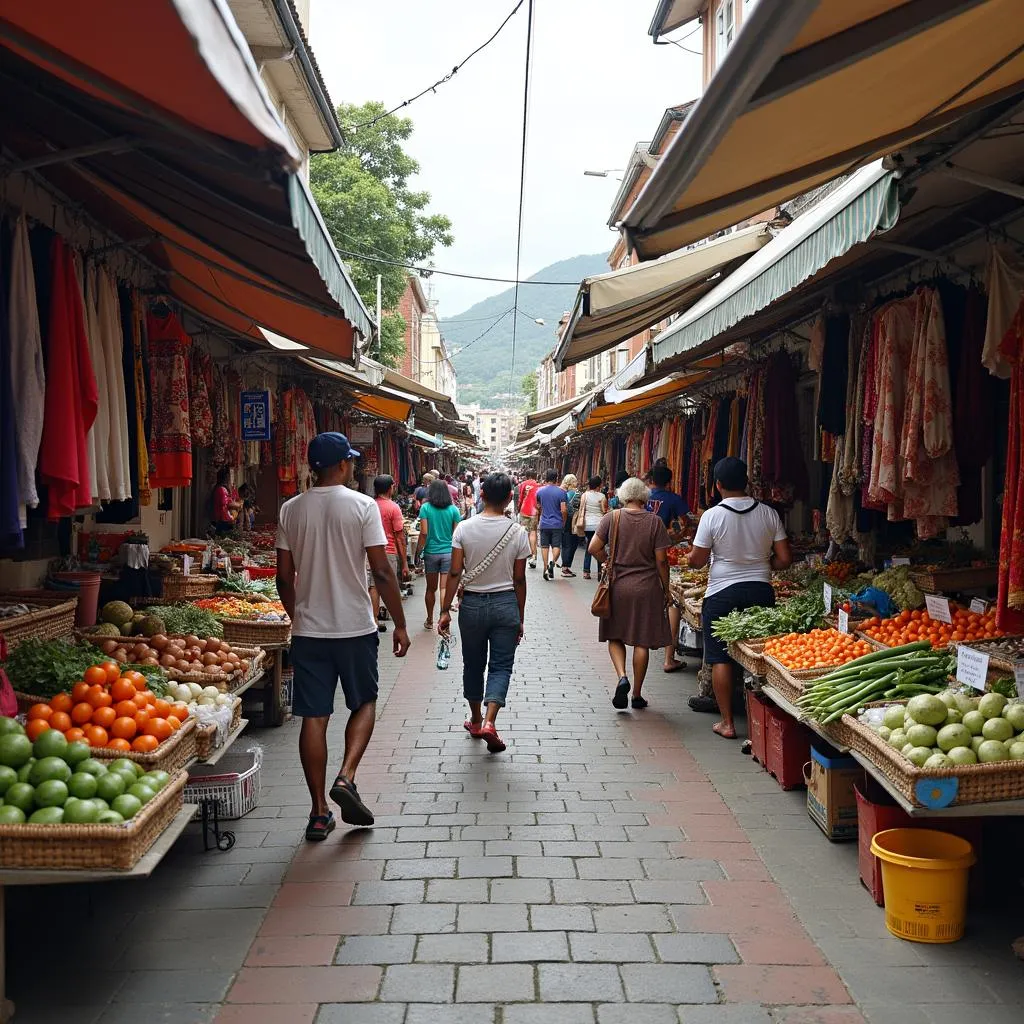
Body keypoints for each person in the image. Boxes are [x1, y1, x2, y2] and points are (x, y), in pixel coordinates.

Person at [276, 432, 410, 840]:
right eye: (349, 461)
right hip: (354, 627)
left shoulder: (290, 510)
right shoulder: (363, 506)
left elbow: (284, 577)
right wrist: (400, 623)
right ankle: (347, 777)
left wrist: (298, 614)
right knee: (364, 702)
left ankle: (318, 812)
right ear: (340, 465)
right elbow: (382, 571)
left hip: (309, 632)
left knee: (313, 717)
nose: (352, 466)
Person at [687, 456, 792, 739]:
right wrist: (762, 564)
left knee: (721, 656)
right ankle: (764, 721)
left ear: (718, 484)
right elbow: (784, 558)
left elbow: (696, 561)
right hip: (760, 589)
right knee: (760, 653)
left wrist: (691, 557)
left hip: (721, 592)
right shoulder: (769, 513)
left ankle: (728, 723)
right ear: (747, 481)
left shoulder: (712, 516)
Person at [439, 472, 529, 754]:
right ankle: (490, 721)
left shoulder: (464, 529)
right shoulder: (518, 532)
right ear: (510, 498)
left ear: (481, 495)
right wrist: (520, 615)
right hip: (505, 605)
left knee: (473, 664)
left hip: (472, 606)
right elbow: (519, 580)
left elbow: (455, 572)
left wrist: (444, 610)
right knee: (501, 666)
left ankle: (476, 719)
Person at [588, 477, 673, 711]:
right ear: (644, 497)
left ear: (623, 496)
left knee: (615, 635)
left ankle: (622, 676)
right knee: (641, 640)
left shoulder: (611, 518)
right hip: (647, 589)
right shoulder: (655, 522)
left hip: (618, 586)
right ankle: (636, 694)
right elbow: (662, 561)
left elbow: (593, 547)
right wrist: (667, 590)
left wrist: (606, 562)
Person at [647, 465, 691, 674]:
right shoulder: (673, 498)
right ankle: (668, 658)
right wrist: (678, 537)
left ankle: (644, 640)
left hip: (640, 557)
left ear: (651, 480)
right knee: (671, 603)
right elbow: (687, 523)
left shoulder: (642, 496)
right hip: (663, 552)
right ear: (669, 481)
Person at [416, 479, 463, 630]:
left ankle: (429, 620)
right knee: (444, 588)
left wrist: (418, 550)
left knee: (431, 589)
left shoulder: (425, 508)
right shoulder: (454, 510)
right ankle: (444, 619)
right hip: (448, 553)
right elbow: (456, 536)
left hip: (430, 553)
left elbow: (423, 532)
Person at [372, 475, 409, 631]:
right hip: (388, 551)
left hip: (370, 551)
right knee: (389, 586)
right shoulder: (393, 507)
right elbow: (399, 537)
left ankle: (374, 619)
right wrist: (405, 563)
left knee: (373, 587)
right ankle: (397, 622)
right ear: (390, 488)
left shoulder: (369, 505)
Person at [535, 469, 567, 581]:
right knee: (556, 546)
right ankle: (552, 562)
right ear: (556, 478)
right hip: (557, 523)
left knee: (544, 547)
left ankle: (545, 568)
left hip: (544, 523)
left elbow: (538, 507)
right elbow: (563, 510)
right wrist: (563, 521)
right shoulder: (562, 492)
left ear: (546, 477)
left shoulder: (539, 491)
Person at [580, 475, 608, 580]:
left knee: (589, 547)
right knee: (599, 548)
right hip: (599, 525)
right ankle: (600, 572)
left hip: (587, 525)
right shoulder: (602, 496)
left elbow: (582, 509)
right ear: (598, 485)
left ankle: (586, 571)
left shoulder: (584, 495)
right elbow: (604, 510)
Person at [516, 472, 540, 568]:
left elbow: (520, 498)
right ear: (535, 476)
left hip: (524, 510)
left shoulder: (523, 484)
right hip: (534, 511)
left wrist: (518, 508)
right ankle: (534, 557)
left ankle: (523, 556)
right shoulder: (538, 486)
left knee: (523, 533)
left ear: (527, 476)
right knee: (533, 533)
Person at [559, 474, 581, 578]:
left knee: (565, 544)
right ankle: (566, 567)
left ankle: (565, 566)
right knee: (572, 543)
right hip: (573, 520)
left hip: (564, 519)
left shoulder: (563, 493)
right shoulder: (577, 493)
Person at [210, 467, 241, 534]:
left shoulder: (220, 488)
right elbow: (227, 503)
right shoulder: (222, 489)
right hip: (223, 519)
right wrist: (238, 505)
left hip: (222, 519)